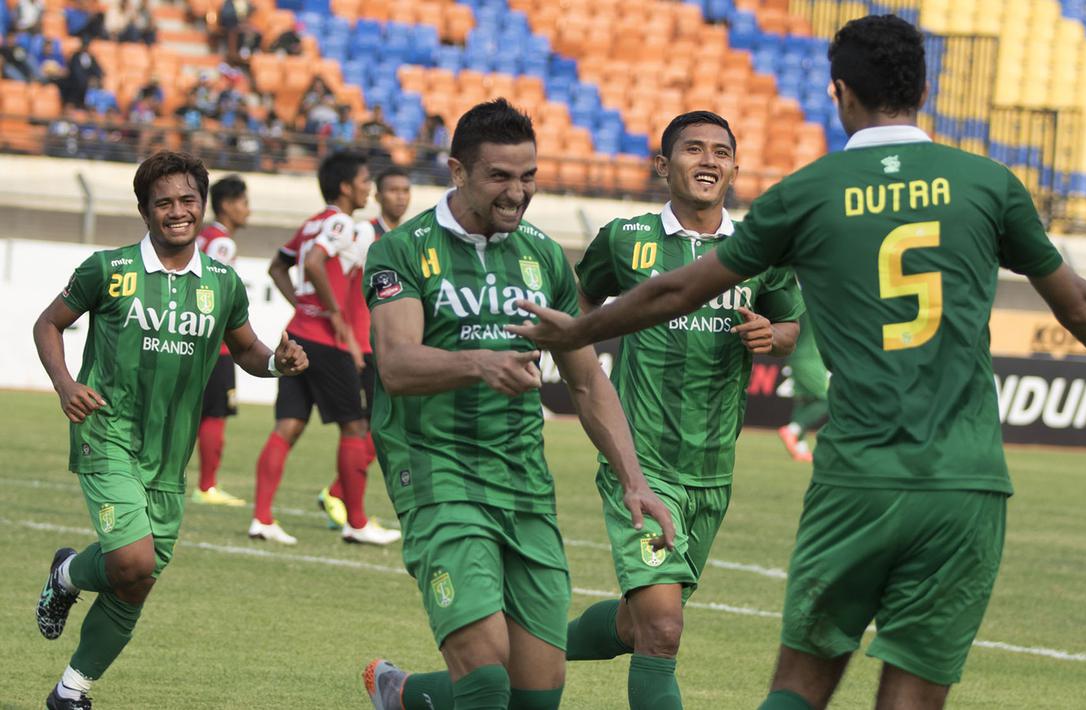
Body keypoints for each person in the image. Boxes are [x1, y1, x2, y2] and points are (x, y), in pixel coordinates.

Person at [506, 16, 1086, 710]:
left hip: (857, 477)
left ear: (837, 92)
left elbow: (679, 289)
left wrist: (579, 331)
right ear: (924, 88)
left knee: (799, 684)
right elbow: (1080, 304)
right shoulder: (987, 183)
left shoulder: (808, 193)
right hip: (966, 482)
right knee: (906, 695)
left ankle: (512, 658)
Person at [359, 98, 676, 710]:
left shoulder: (544, 255)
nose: (517, 192)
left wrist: (634, 480)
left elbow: (586, 382)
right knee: (484, 679)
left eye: (527, 176)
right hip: (438, 476)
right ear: (458, 172)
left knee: (536, 696)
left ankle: (401, 698)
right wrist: (479, 362)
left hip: (524, 484)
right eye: (500, 177)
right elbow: (396, 365)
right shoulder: (401, 250)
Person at [32, 151, 308, 710]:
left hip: (168, 454)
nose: (178, 211)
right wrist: (64, 384)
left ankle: (71, 690)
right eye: (164, 202)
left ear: (202, 206)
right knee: (131, 560)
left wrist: (278, 361)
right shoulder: (107, 269)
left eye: (187, 200)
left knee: (138, 580)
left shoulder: (225, 283)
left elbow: (248, 350)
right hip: (106, 432)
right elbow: (49, 323)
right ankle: (66, 576)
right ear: (145, 210)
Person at [563, 111, 802, 709]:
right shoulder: (625, 239)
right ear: (663, 165)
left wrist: (772, 335)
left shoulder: (759, 250)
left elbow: (793, 326)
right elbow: (576, 306)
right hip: (642, 465)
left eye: (720, 152)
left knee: (636, 625)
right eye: (693, 150)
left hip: (714, 470)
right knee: (664, 631)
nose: (708, 161)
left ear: (735, 169)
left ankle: (513, 657)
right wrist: (585, 368)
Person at [251, 150, 399, 546]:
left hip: (297, 335)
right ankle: (357, 522)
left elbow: (277, 267)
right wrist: (333, 315)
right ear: (348, 186)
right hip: (325, 342)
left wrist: (304, 308)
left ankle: (262, 518)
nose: (370, 188)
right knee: (355, 426)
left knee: (288, 426)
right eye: (366, 181)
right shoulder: (339, 222)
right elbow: (316, 263)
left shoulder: (313, 221)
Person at [317, 165, 413, 529]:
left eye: (406, 190)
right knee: (373, 428)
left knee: (387, 429)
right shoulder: (363, 235)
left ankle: (340, 493)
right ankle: (342, 498)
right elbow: (341, 286)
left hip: (392, 346)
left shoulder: (409, 237)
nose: (400, 196)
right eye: (393, 190)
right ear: (378, 196)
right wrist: (351, 340)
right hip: (365, 345)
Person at [193, 175, 251, 507]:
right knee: (215, 414)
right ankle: (208, 486)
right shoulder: (223, 243)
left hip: (193, 337)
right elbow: (215, 291)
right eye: (244, 203)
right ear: (227, 205)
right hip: (216, 343)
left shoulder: (201, 236)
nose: (248, 211)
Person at [777, 316, 828, 463]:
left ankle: (800, 449)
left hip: (796, 356)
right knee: (826, 400)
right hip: (810, 358)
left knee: (804, 401)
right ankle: (792, 430)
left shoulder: (799, 301)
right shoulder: (814, 300)